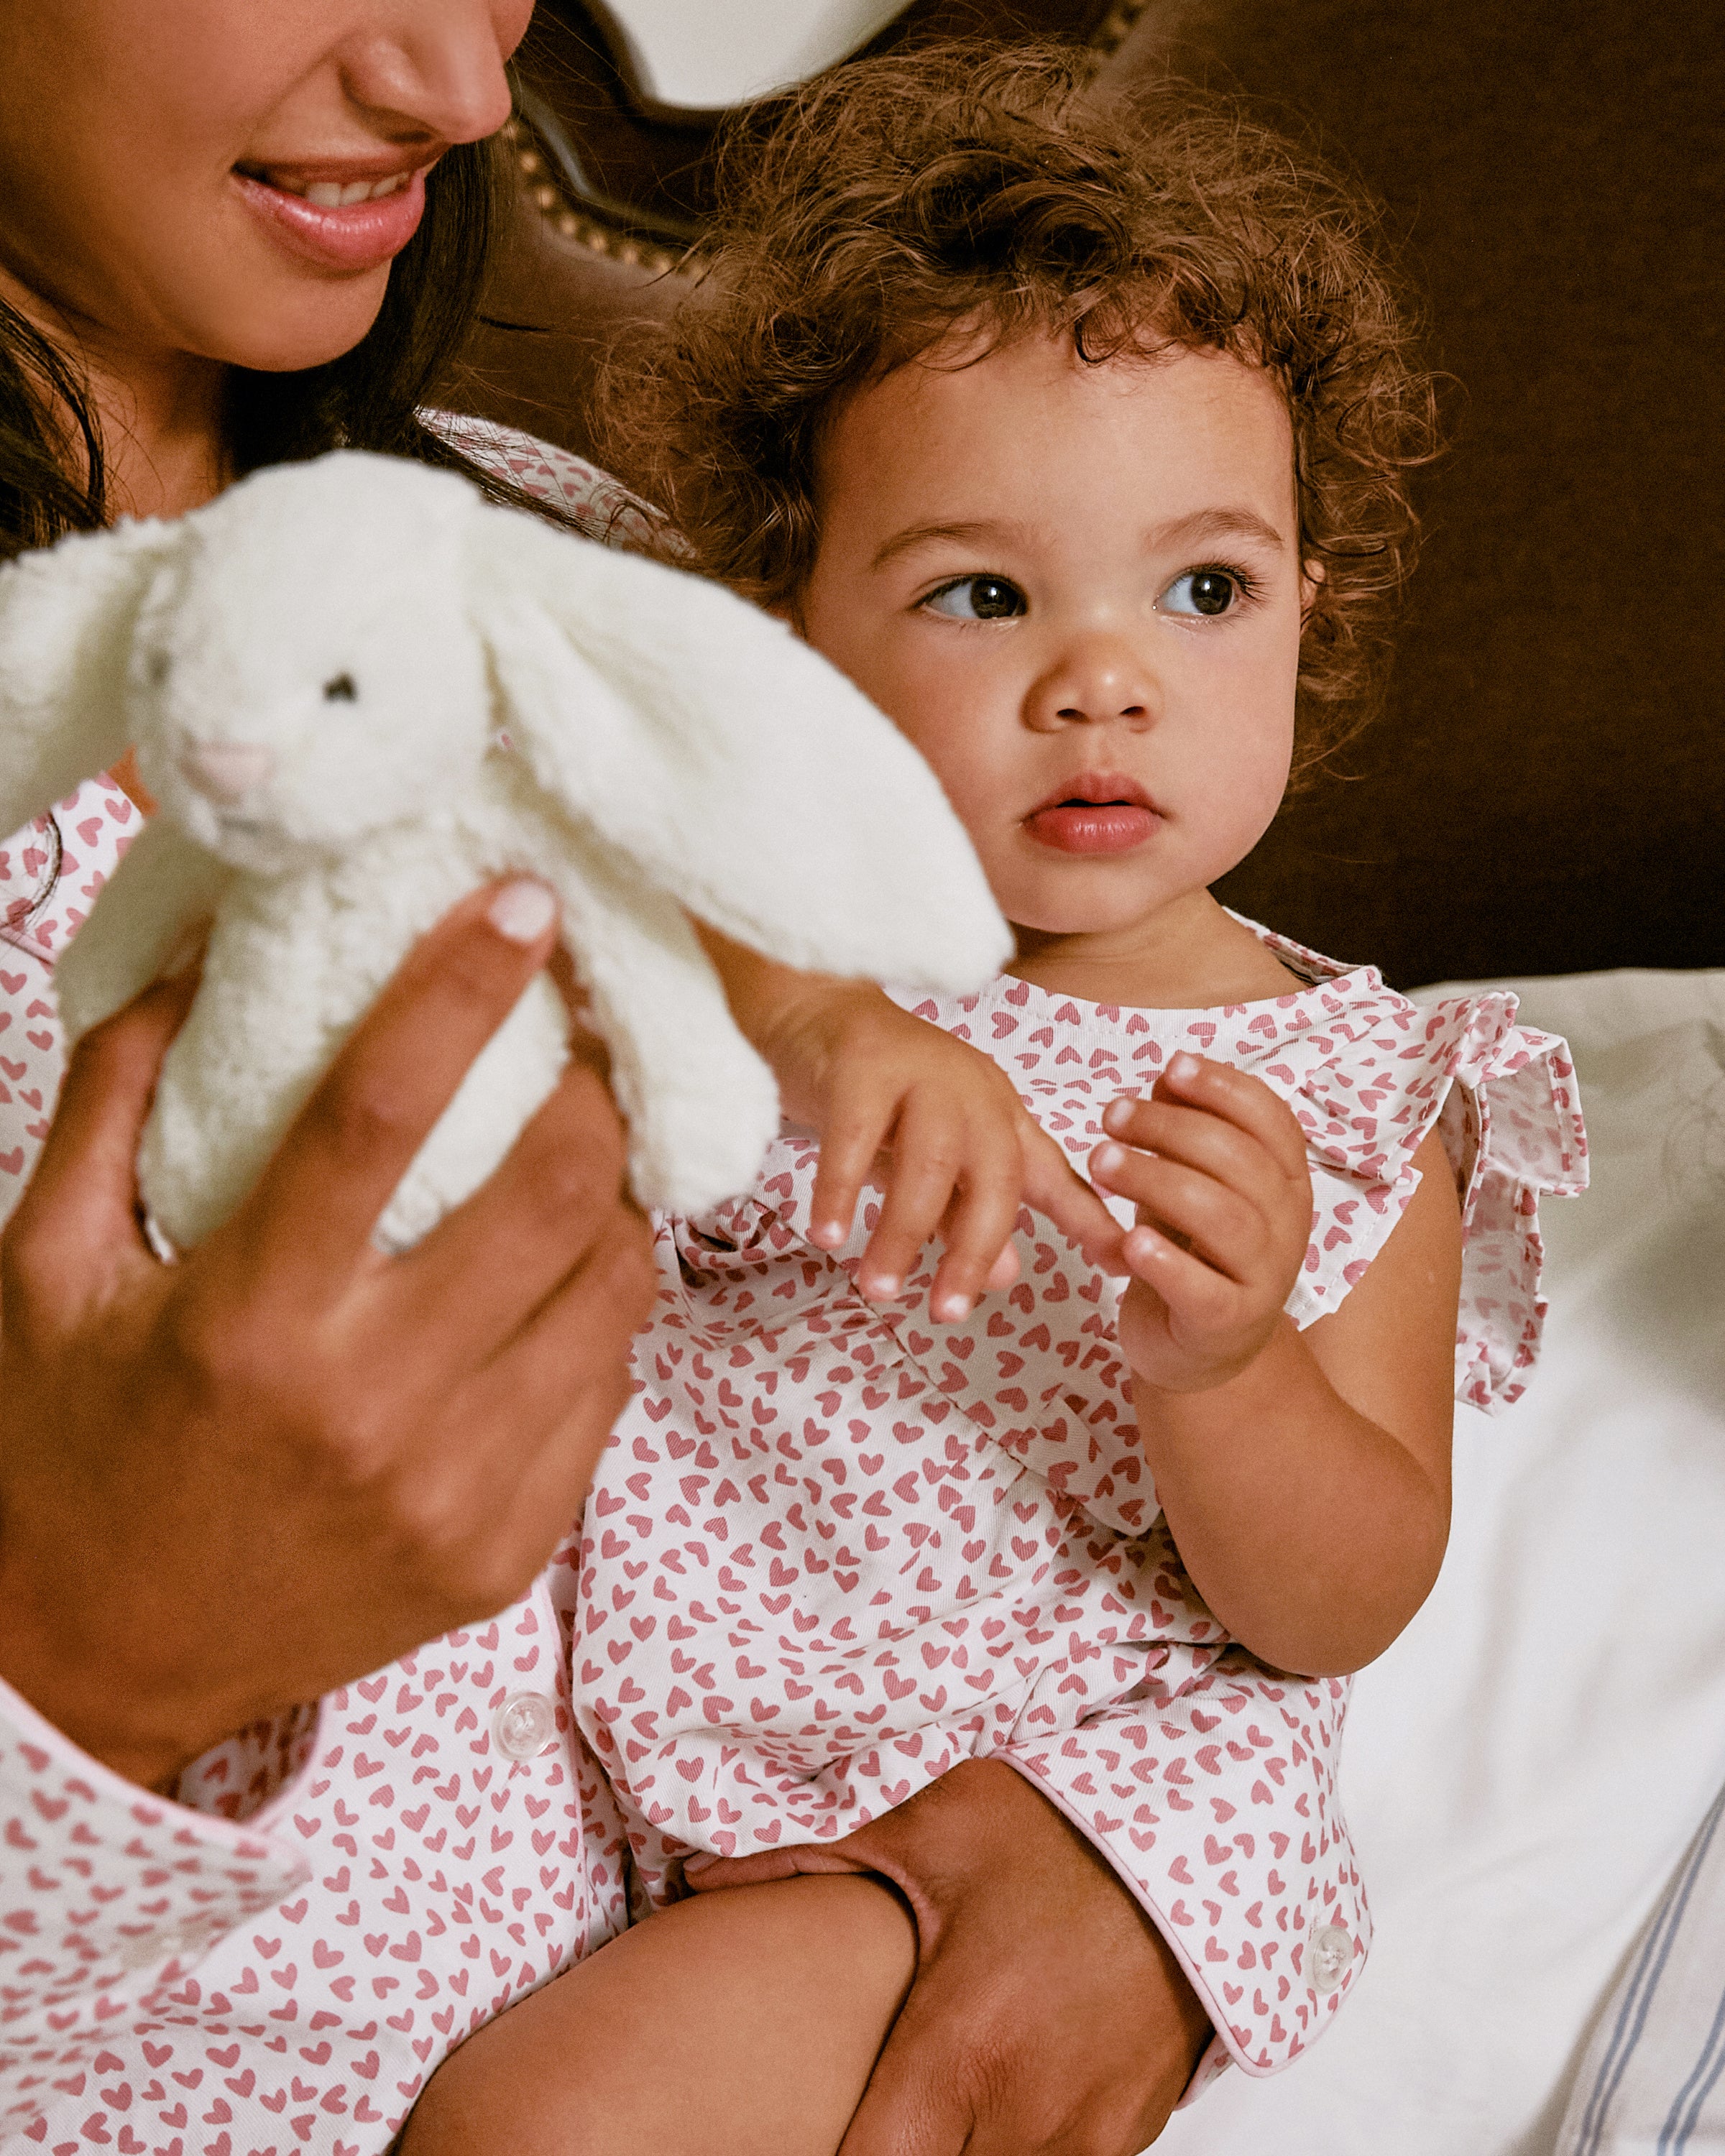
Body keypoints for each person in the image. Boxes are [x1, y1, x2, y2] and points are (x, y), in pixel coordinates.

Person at [0, 9, 1243, 2154]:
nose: (469, 90)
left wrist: (1135, 1847)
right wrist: (82, 1679)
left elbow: (1096, 1311)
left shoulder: (581, 592)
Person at [399, 46, 1589, 2156]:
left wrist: (1224, 1365)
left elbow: (1346, 1590)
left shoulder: (1334, 1089)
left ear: (1317, 610)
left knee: (543, 2134)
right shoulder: (751, 962)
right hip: (649, 1775)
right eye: (984, 594)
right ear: (796, 635)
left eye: (1206, 590)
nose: (1103, 679)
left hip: (1012, 1785)